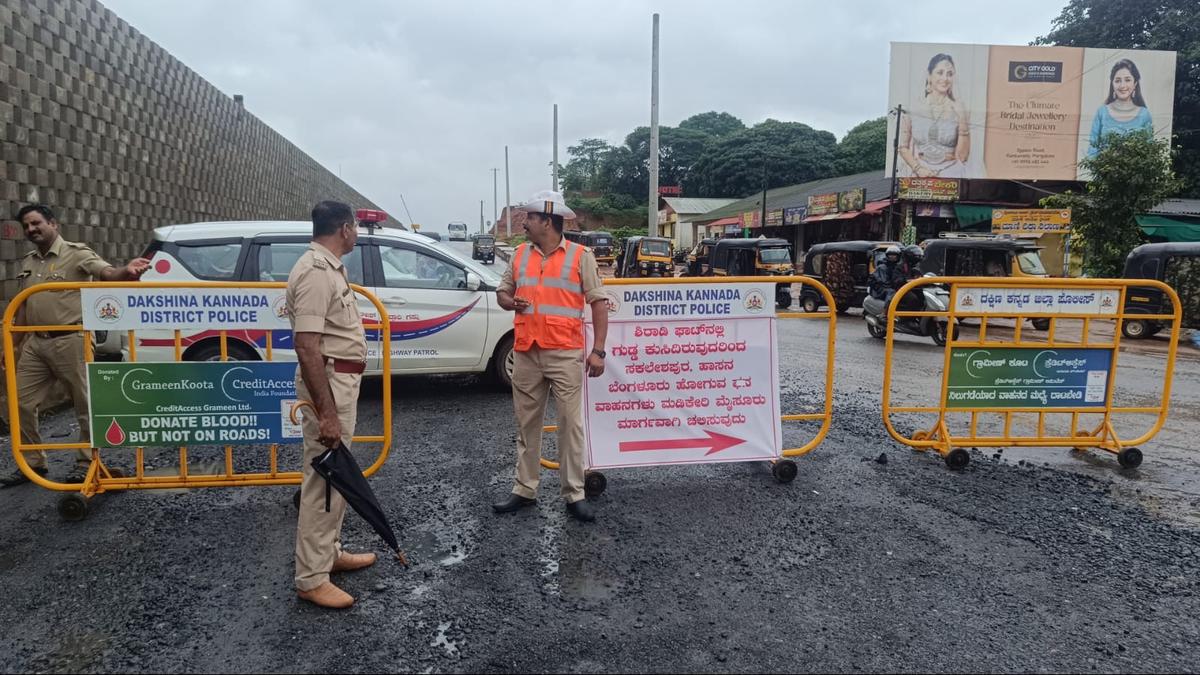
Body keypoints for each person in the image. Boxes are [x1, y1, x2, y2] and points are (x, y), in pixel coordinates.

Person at [0, 204, 151, 487]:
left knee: (85, 405)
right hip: (36, 342)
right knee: (19, 402)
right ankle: (33, 463)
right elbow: (22, 307)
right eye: (27, 226)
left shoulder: (76, 253)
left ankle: (85, 462)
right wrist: (10, 345)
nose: (32, 229)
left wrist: (126, 271)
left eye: (36, 223)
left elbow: (106, 273)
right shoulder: (29, 262)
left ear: (53, 224)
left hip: (72, 340)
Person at [492, 190, 608, 523]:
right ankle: (525, 489)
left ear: (546, 221)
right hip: (527, 351)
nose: (523, 222)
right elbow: (504, 290)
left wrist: (598, 351)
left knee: (570, 426)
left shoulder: (579, 256)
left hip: (564, 353)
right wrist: (506, 300)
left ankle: (574, 494)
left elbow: (598, 303)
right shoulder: (519, 255)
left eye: (529, 217)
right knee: (526, 425)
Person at [287, 200, 376, 609]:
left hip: (340, 383)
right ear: (344, 229)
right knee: (323, 480)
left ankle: (328, 554)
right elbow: (307, 348)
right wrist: (326, 413)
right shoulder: (315, 272)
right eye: (355, 227)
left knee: (335, 477)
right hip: (329, 387)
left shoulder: (329, 269)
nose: (356, 233)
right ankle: (310, 577)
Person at [899, 53, 970, 178]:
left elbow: (963, 156)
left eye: (949, 74)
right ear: (929, 75)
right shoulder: (913, 107)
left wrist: (962, 117)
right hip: (919, 174)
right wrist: (919, 169)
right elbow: (902, 147)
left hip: (952, 173)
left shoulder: (958, 108)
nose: (945, 78)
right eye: (940, 72)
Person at [1087, 58, 1153, 158]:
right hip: (1106, 172)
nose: (1122, 85)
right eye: (1118, 81)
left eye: (1127, 80)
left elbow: (1149, 152)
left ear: (1135, 83)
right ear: (1112, 84)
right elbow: (1092, 150)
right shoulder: (1102, 112)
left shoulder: (1144, 114)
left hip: (1136, 173)